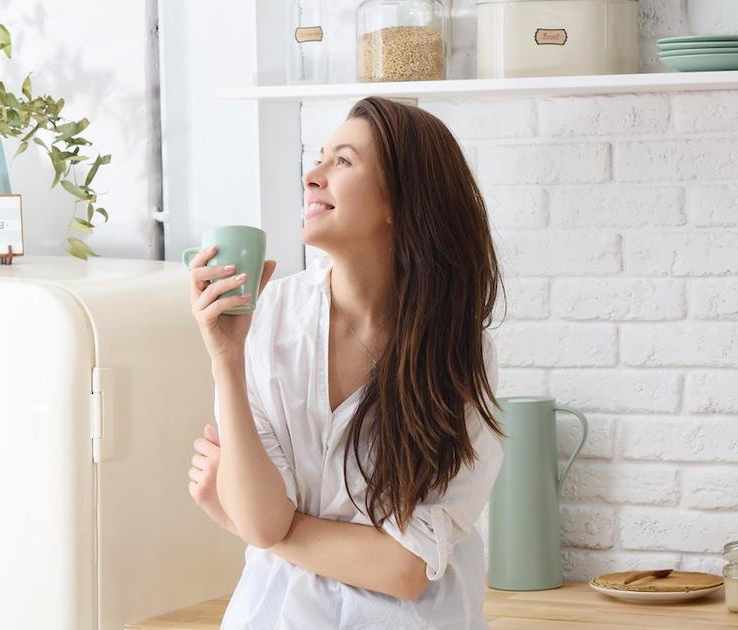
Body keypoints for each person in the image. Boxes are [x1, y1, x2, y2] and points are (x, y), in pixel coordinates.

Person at [185, 96, 504, 629]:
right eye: (318, 157)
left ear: (398, 201)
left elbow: (406, 569)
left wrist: (239, 517)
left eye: (343, 161)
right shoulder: (269, 320)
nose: (312, 175)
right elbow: (265, 521)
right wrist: (226, 356)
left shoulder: (458, 354)